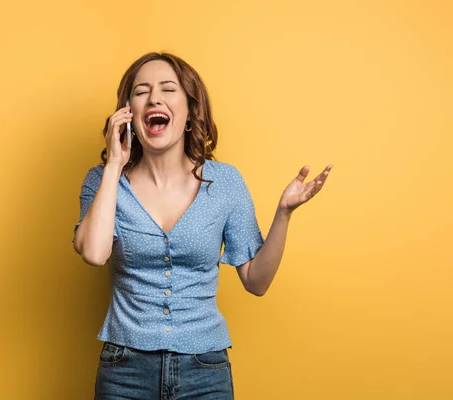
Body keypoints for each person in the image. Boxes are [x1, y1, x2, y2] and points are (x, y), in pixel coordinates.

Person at [72, 52, 332, 399]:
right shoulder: (102, 181)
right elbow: (94, 252)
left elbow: (256, 281)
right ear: (127, 113)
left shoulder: (224, 182)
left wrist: (284, 213)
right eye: (141, 91)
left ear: (190, 112)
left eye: (168, 89)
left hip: (204, 372)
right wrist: (115, 164)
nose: (154, 98)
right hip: (125, 371)